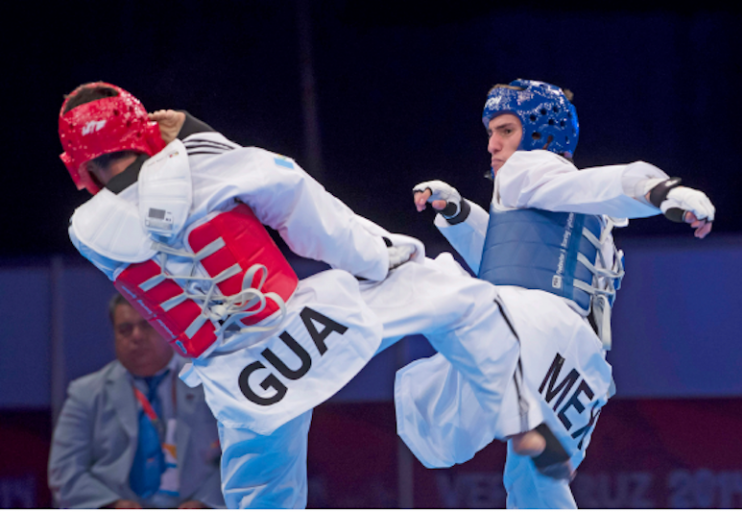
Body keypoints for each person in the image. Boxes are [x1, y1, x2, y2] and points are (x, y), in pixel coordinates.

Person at [58, 82, 543, 508]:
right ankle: (520, 418)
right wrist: (379, 256)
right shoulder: (205, 161)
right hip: (305, 327)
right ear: (141, 129)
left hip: (239, 382)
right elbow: (301, 208)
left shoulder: (85, 233)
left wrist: (185, 144)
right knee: (453, 293)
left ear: (81, 168)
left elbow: (144, 207)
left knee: (262, 501)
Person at [398, 79, 715, 508]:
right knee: (537, 485)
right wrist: (458, 213)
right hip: (574, 358)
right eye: (490, 132)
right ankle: (528, 425)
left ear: (541, 133)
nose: (492, 144)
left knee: (431, 287)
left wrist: (660, 191)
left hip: (539, 327)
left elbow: (600, 184)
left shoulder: (526, 170)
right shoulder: (569, 206)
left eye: (506, 130)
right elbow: (506, 260)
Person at [48, 294, 224, 509]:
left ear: (169, 329)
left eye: (147, 325)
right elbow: (64, 471)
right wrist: (113, 505)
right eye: (125, 329)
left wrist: (204, 503)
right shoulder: (85, 394)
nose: (137, 336)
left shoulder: (210, 385)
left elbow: (243, 455)